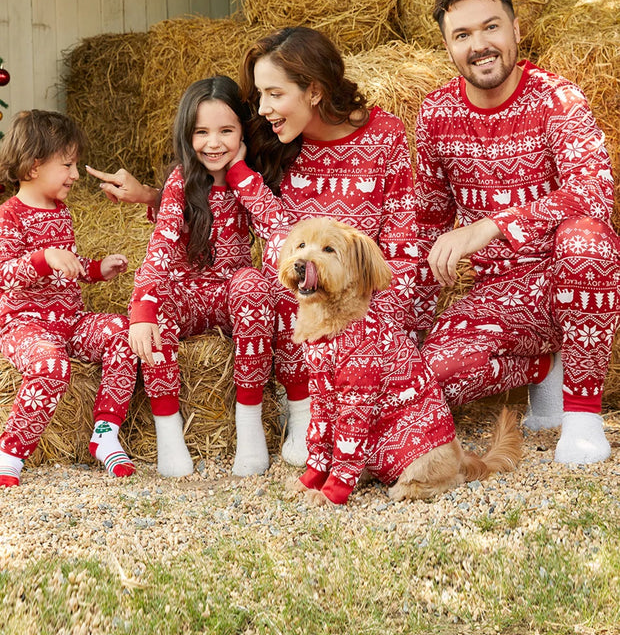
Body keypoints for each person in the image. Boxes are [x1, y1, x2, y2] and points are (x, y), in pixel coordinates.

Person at [88, 27, 418, 467]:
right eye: (259, 96)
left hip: (363, 309)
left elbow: (404, 246)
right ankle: (301, 410)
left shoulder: (384, 136)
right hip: (299, 304)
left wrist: (389, 335)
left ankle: (319, 407)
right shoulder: (273, 141)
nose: (261, 109)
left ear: (314, 90)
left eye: (273, 94)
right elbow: (210, 188)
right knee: (274, 280)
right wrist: (155, 196)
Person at [414, 0, 620, 465]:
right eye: (462, 35)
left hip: (563, 276)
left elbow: (595, 191)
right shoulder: (436, 115)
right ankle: (537, 368)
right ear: (447, 46)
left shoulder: (558, 100)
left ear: (516, 29)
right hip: (497, 296)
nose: (479, 45)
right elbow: (426, 227)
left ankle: (583, 417)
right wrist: (403, 329)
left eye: (491, 27)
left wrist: (493, 224)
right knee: (428, 378)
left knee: (588, 241)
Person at [127, 76, 275, 478]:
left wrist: (242, 172)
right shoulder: (181, 181)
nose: (214, 143)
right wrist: (143, 305)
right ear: (185, 134)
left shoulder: (252, 179)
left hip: (232, 296)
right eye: (201, 132)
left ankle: (249, 424)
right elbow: (160, 245)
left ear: (244, 131)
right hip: (187, 296)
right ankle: (168, 432)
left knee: (254, 282)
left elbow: (277, 228)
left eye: (226, 131)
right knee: (155, 314)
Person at [0, 110, 137, 487]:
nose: (76, 175)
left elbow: (67, 268)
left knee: (124, 333)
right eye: (68, 165)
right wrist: (44, 259)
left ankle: (106, 434)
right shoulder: (8, 217)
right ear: (32, 167)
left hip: (71, 323)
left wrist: (96, 270)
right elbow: (6, 274)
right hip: (24, 325)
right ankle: (10, 452)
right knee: (52, 365)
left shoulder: (62, 214)